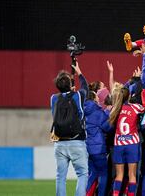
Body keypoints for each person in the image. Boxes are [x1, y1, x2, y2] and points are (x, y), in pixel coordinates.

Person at [50, 62, 89, 196]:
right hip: (77, 141)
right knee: (83, 174)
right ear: (70, 85)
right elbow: (86, 88)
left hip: (59, 142)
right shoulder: (77, 96)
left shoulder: (53, 98)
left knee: (60, 177)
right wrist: (79, 72)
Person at [109, 87, 145, 196]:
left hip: (119, 144)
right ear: (129, 96)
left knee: (119, 175)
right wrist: (143, 95)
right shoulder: (135, 107)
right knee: (132, 175)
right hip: (132, 144)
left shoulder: (115, 108)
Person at [84, 91, 113, 196]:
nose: (98, 97)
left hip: (88, 147)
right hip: (98, 148)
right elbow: (106, 127)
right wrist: (110, 116)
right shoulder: (97, 111)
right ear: (93, 98)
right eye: (96, 96)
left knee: (93, 174)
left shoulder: (84, 111)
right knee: (103, 174)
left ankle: (84, 193)